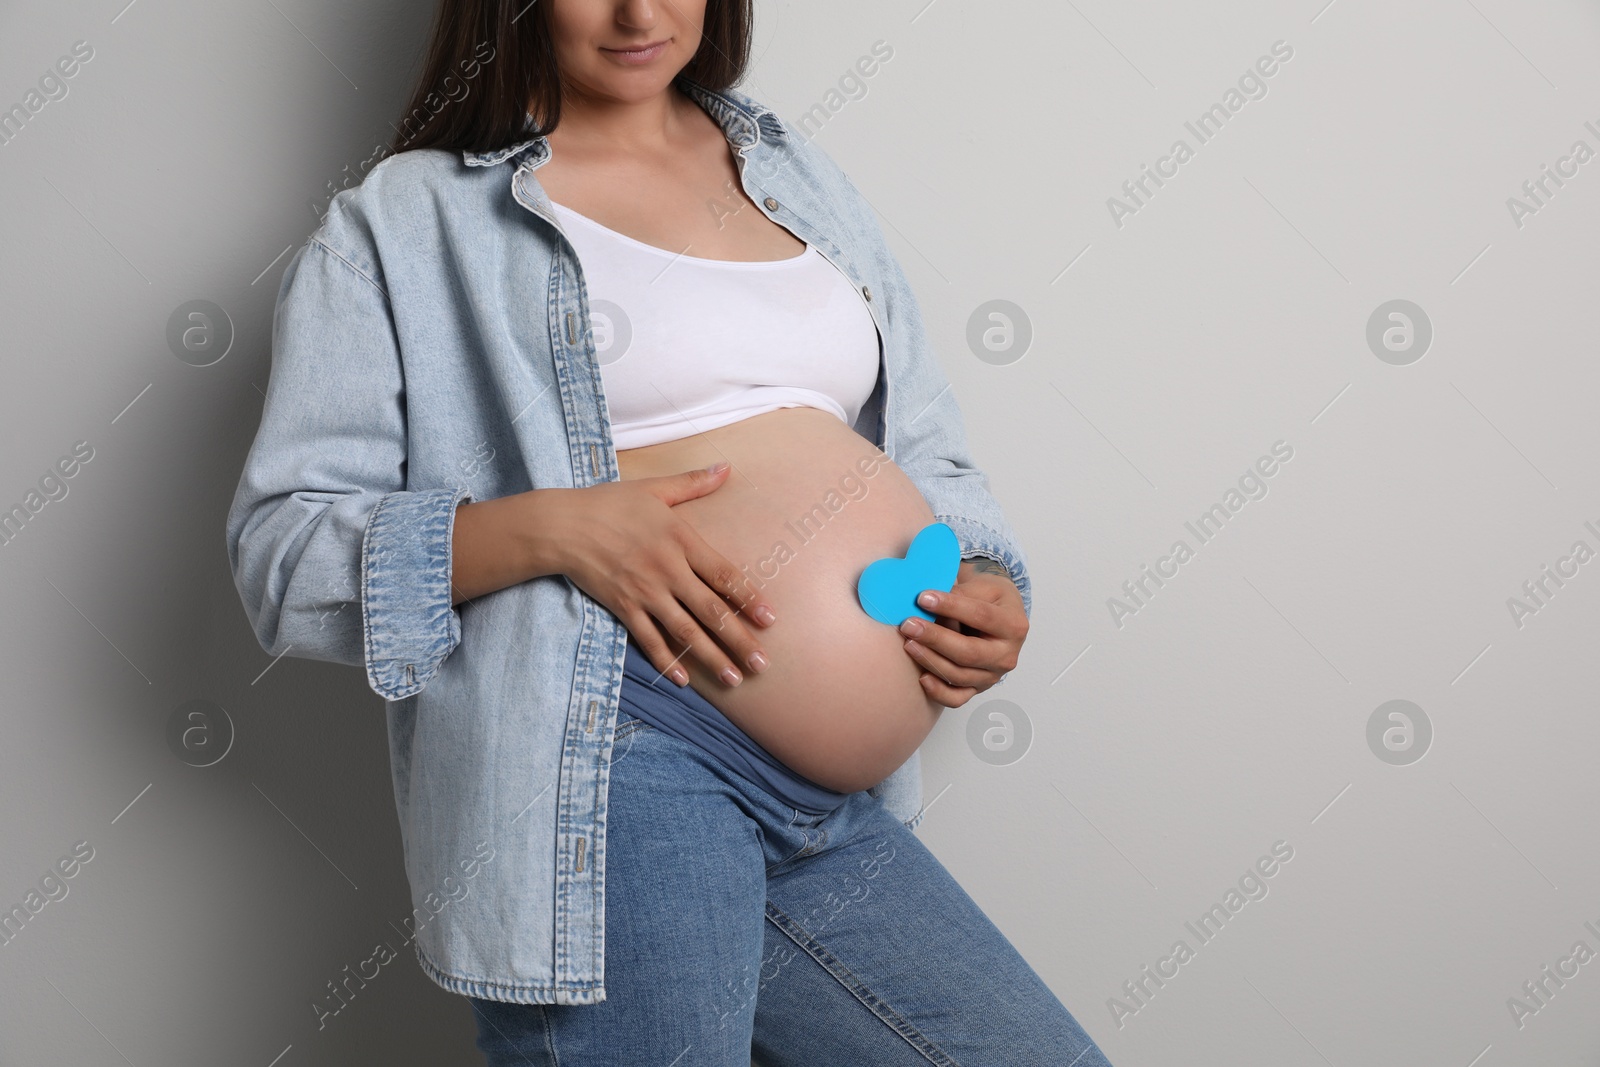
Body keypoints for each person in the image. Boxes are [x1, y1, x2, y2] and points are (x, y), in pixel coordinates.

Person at [226, 0, 1112, 1063]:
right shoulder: (406, 222)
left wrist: (981, 571)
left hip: (829, 802)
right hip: (616, 754)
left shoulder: (794, 173)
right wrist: (552, 530)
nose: (641, 12)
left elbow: (925, 445)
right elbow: (285, 558)